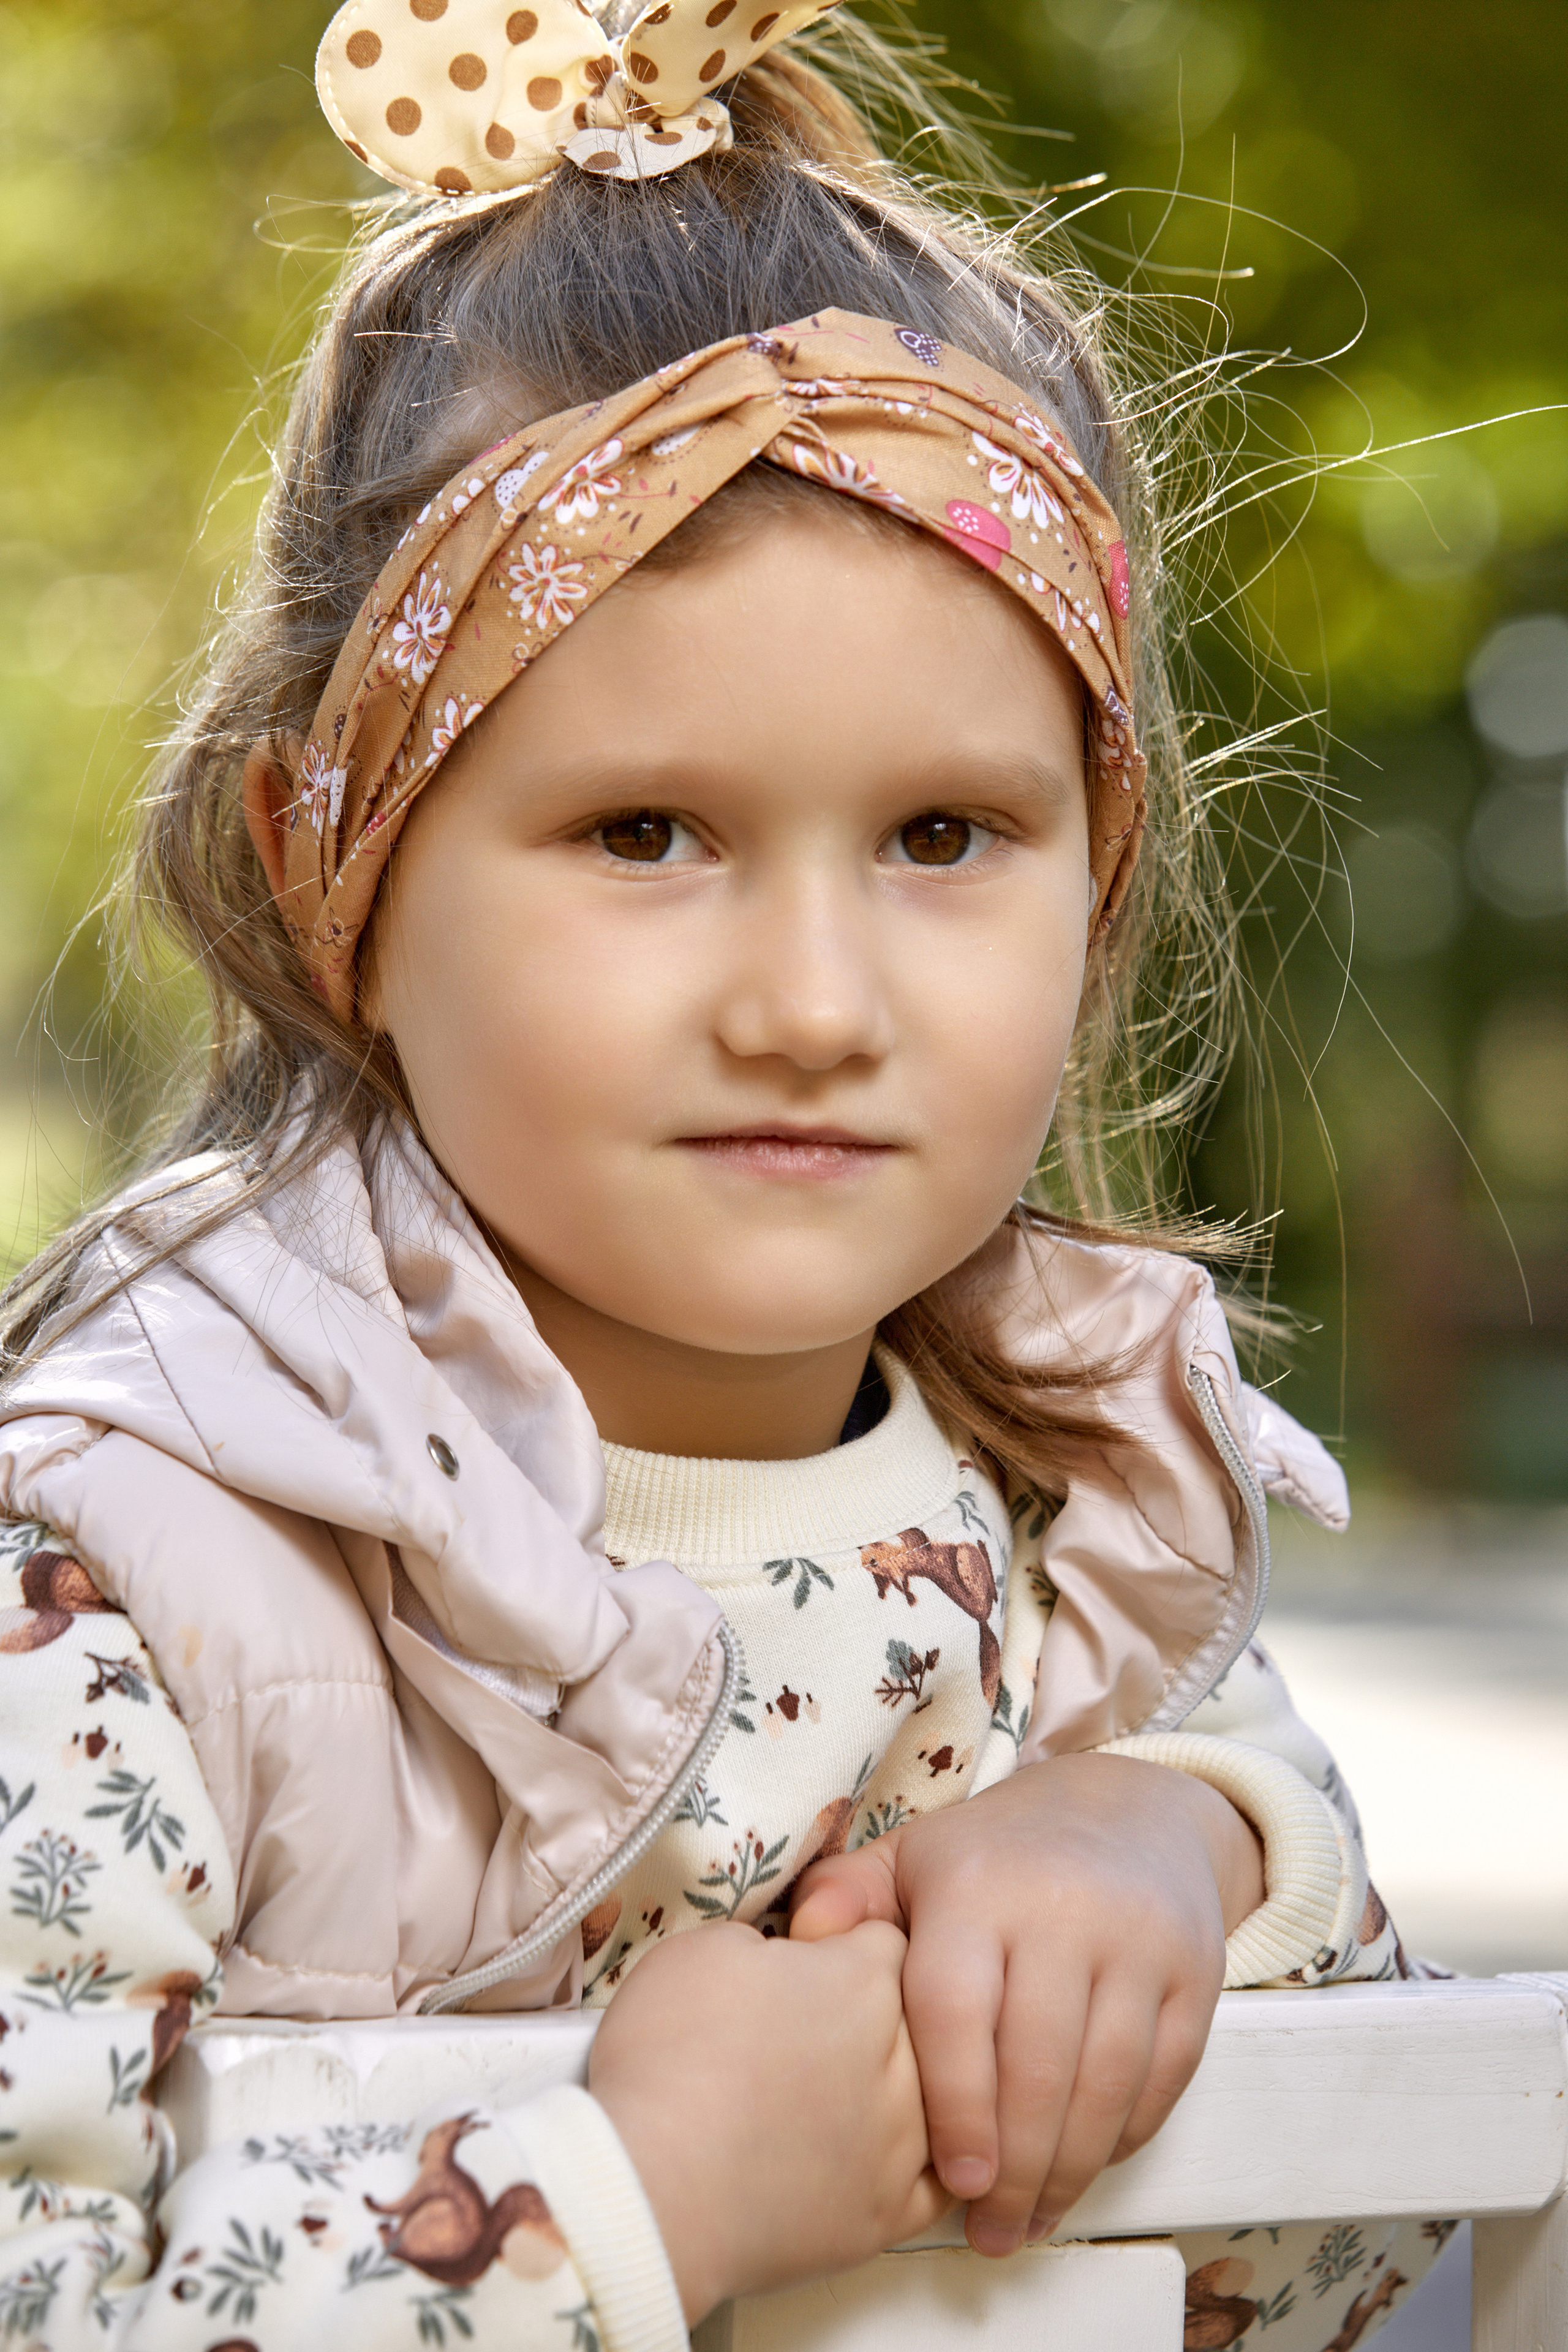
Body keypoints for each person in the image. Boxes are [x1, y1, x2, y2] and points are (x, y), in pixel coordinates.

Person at [0, 3, 1449, 2346]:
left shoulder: (1086, 1528)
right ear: (325, 874)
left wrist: (1191, 1861)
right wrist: (624, 2212)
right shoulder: (140, 1583)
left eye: (945, 837)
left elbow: (1373, 2250)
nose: (809, 997)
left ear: (1101, 875)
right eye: (646, 832)